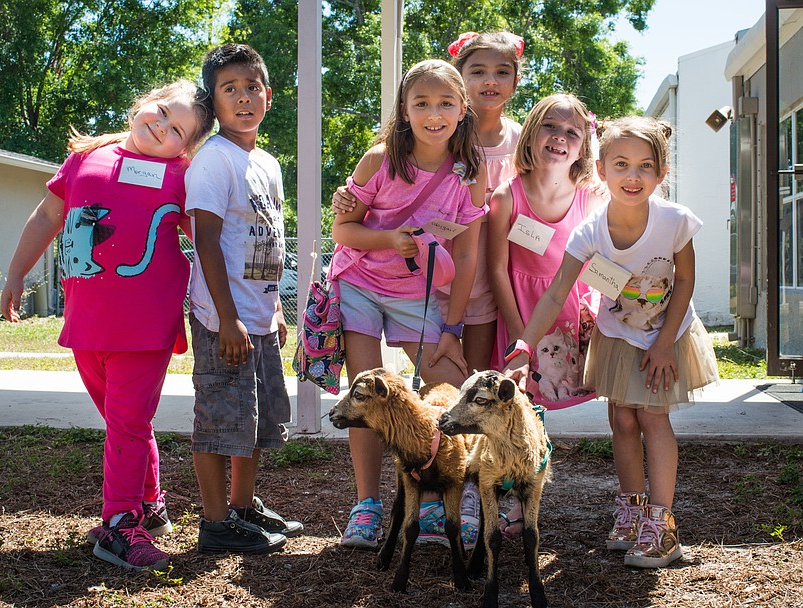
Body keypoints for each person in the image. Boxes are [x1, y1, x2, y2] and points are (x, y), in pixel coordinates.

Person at [0, 80, 215, 571]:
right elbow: (46, 216)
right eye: (161, 112)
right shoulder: (86, 158)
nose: (161, 126)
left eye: (177, 129)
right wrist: (15, 272)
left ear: (188, 147)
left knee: (127, 423)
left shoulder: (182, 177)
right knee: (125, 423)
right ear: (143, 103)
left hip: (146, 325)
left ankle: (119, 524)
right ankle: (151, 504)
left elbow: (208, 237)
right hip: (87, 322)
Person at [505, 115, 719, 568]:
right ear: (601, 170)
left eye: (645, 167)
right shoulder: (590, 232)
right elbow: (557, 292)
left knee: (652, 418)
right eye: (621, 164)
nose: (633, 176)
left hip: (667, 334)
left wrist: (662, 344)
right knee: (623, 421)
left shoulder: (675, 221)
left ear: (661, 174)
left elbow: (684, 283)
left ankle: (662, 527)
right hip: (619, 334)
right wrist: (525, 344)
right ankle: (631, 510)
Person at [329, 59, 486, 549]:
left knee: (448, 388)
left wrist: (451, 329)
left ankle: (439, 500)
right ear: (404, 108)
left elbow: (466, 252)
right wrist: (388, 239)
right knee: (365, 395)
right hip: (359, 282)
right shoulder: (379, 160)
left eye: (445, 103)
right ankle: (367, 505)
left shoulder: (469, 172)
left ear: (463, 109)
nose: (433, 113)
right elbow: (343, 230)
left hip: (417, 295)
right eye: (421, 103)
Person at [185, 43, 303, 557]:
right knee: (218, 420)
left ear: (269, 96)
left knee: (254, 419)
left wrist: (273, 308)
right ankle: (214, 524)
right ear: (214, 103)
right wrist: (228, 320)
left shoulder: (268, 164)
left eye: (252, 87)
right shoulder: (214, 159)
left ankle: (243, 507)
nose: (243, 97)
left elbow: (266, 240)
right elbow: (206, 241)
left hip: (257, 314)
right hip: (222, 319)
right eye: (229, 89)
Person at [489, 93, 605, 538]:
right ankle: (516, 504)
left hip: (569, 311)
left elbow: (600, 264)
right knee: (518, 411)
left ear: (582, 148)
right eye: (550, 128)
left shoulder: (590, 199)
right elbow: (497, 269)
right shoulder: (507, 196)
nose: (559, 138)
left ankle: (630, 500)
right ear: (532, 134)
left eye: (571, 133)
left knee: (549, 404)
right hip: (520, 310)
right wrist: (521, 336)